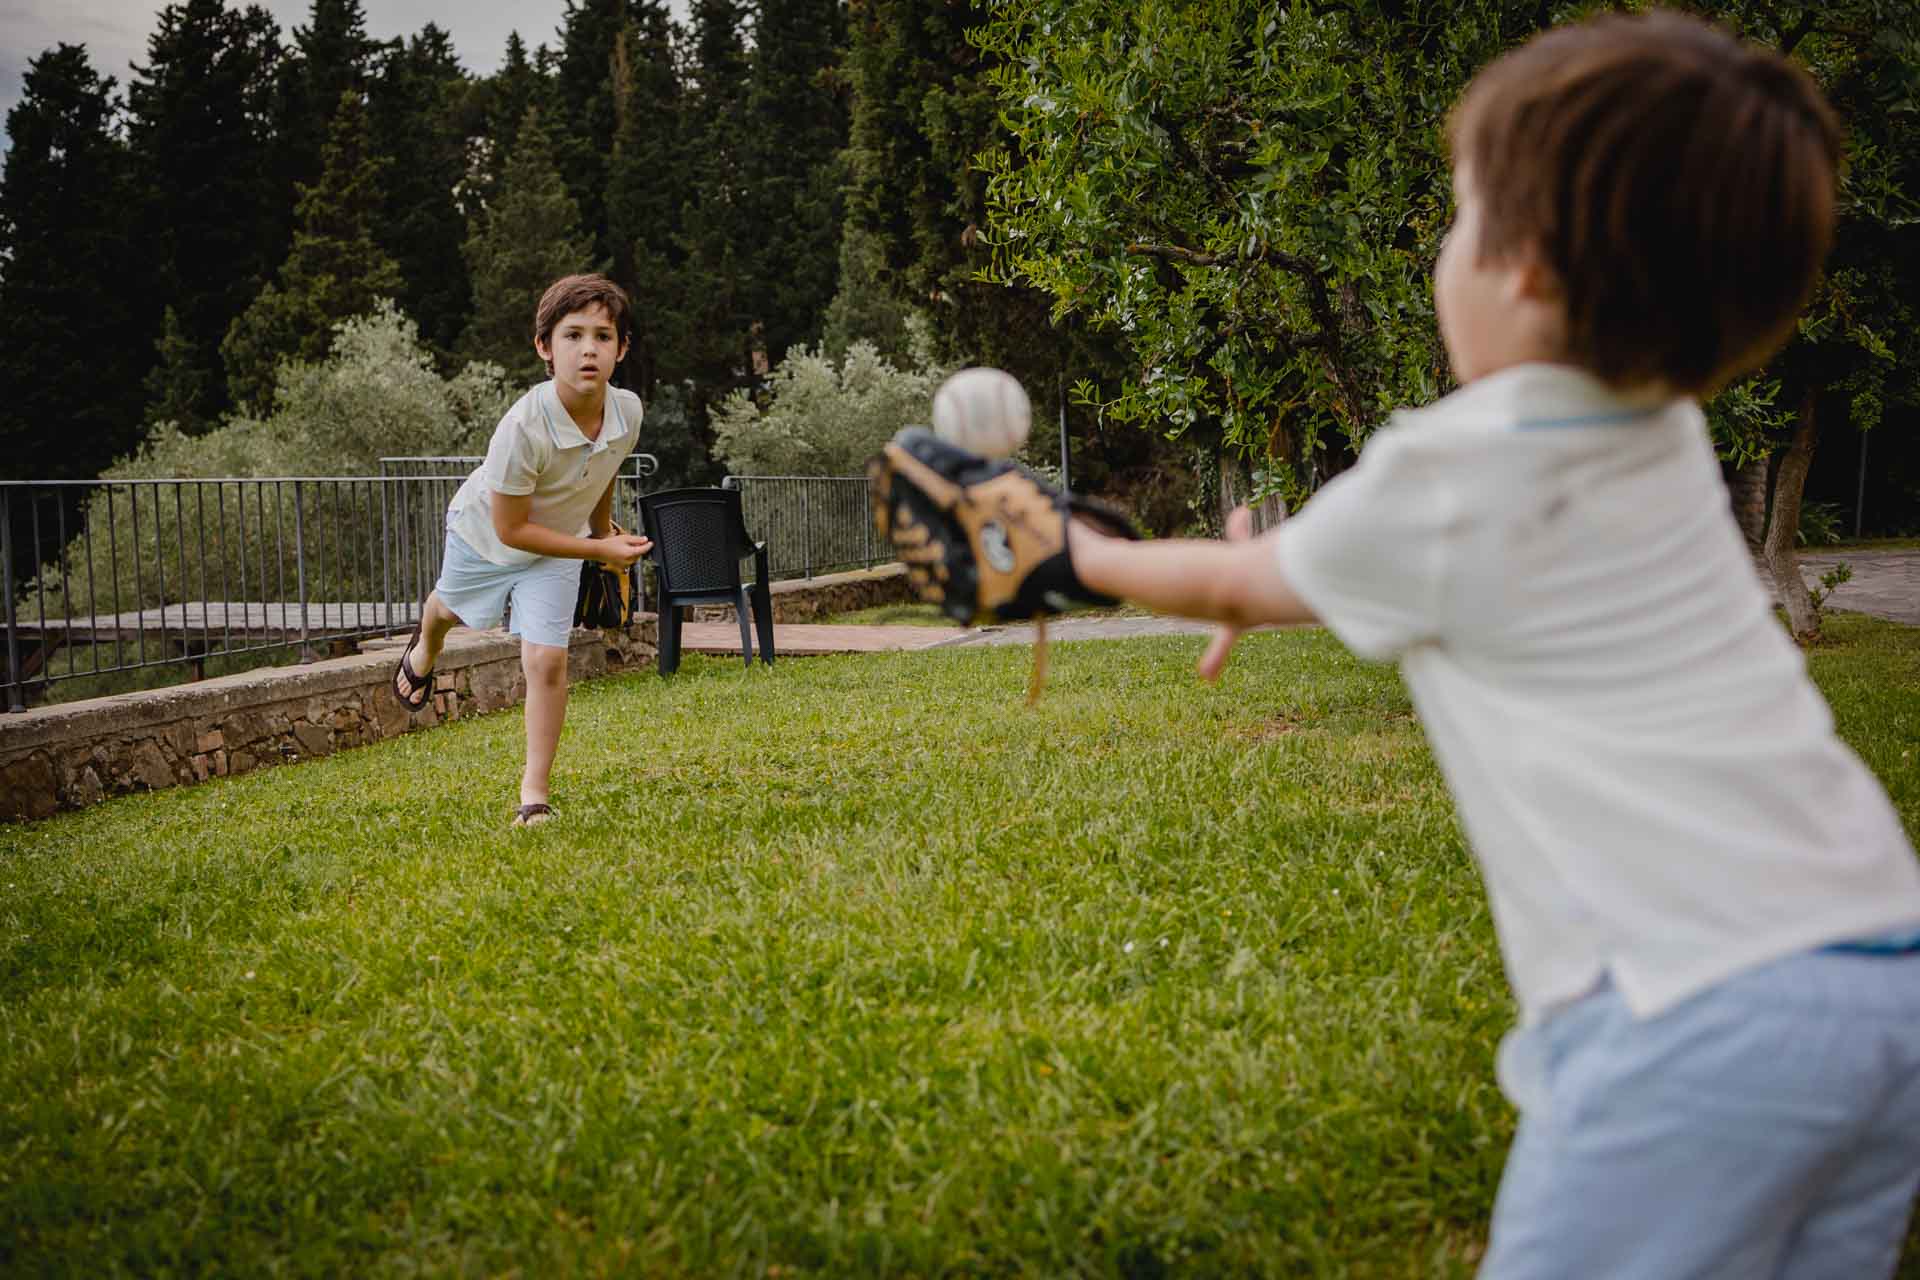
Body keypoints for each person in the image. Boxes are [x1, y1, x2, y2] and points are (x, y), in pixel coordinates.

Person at [899, 11, 1920, 1275]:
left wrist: (1067, 551)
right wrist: (1247, 579)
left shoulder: (1454, 464)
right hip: (1878, 958)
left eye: (1460, 218)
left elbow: (1252, 573)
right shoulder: (1662, 441)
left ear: (1526, 270)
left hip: (1687, 1007)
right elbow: (1320, 568)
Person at [391, 273, 650, 828]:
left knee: (547, 660)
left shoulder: (627, 412)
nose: (588, 349)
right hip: (485, 536)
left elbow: (600, 473)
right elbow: (512, 530)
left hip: (560, 543)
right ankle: (423, 648)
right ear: (544, 348)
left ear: (622, 348)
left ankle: (534, 796)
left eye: (603, 337)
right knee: (450, 611)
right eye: (572, 335)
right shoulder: (521, 428)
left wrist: (600, 542)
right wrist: (593, 546)